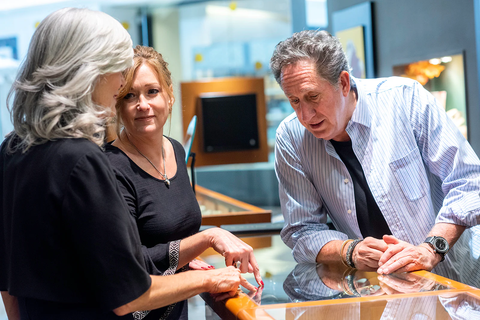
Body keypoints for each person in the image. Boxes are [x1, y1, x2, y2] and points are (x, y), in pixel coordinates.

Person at [0, 8, 249, 320]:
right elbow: (130, 294)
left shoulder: (13, 148)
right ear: (90, 71)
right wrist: (210, 278)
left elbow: (8, 278)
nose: (120, 83)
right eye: (118, 71)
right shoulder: (83, 159)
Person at [270, 30, 480, 277]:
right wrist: (349, 251)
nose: (305, 116)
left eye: (313, 97)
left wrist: (431, 248)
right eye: (294, 101)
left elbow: (469, 182)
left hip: (458, 277)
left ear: (344, 83)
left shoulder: (404, 98)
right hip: (380, 290)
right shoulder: (291, 138)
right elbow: (301, 230)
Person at [105, 45, 263, 320]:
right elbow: (130, 264)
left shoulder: (176, 149)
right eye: (130, 95)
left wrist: (186, 264)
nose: (143, 104)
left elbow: (168, 236)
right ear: (118, 105)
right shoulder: (109, 167)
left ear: (170, 96)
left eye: (152, 91)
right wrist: (208, 237)